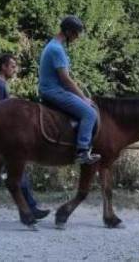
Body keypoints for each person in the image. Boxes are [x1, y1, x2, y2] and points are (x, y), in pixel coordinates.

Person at [0, 54, 50, 221]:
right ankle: (30, 208)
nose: (15, 69)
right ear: (3, 67)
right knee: (13, 173)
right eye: (12, 66)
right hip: (2, 137)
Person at [38, 15, 100, 164]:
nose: (77, 37)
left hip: (52, 89)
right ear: (68, 32)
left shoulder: (54, 46)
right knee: (90, 113)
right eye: (76, 34)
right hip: (53, 91)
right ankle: (82, 151)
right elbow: (66, 80)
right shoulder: (56, 50)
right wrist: (83, 98)